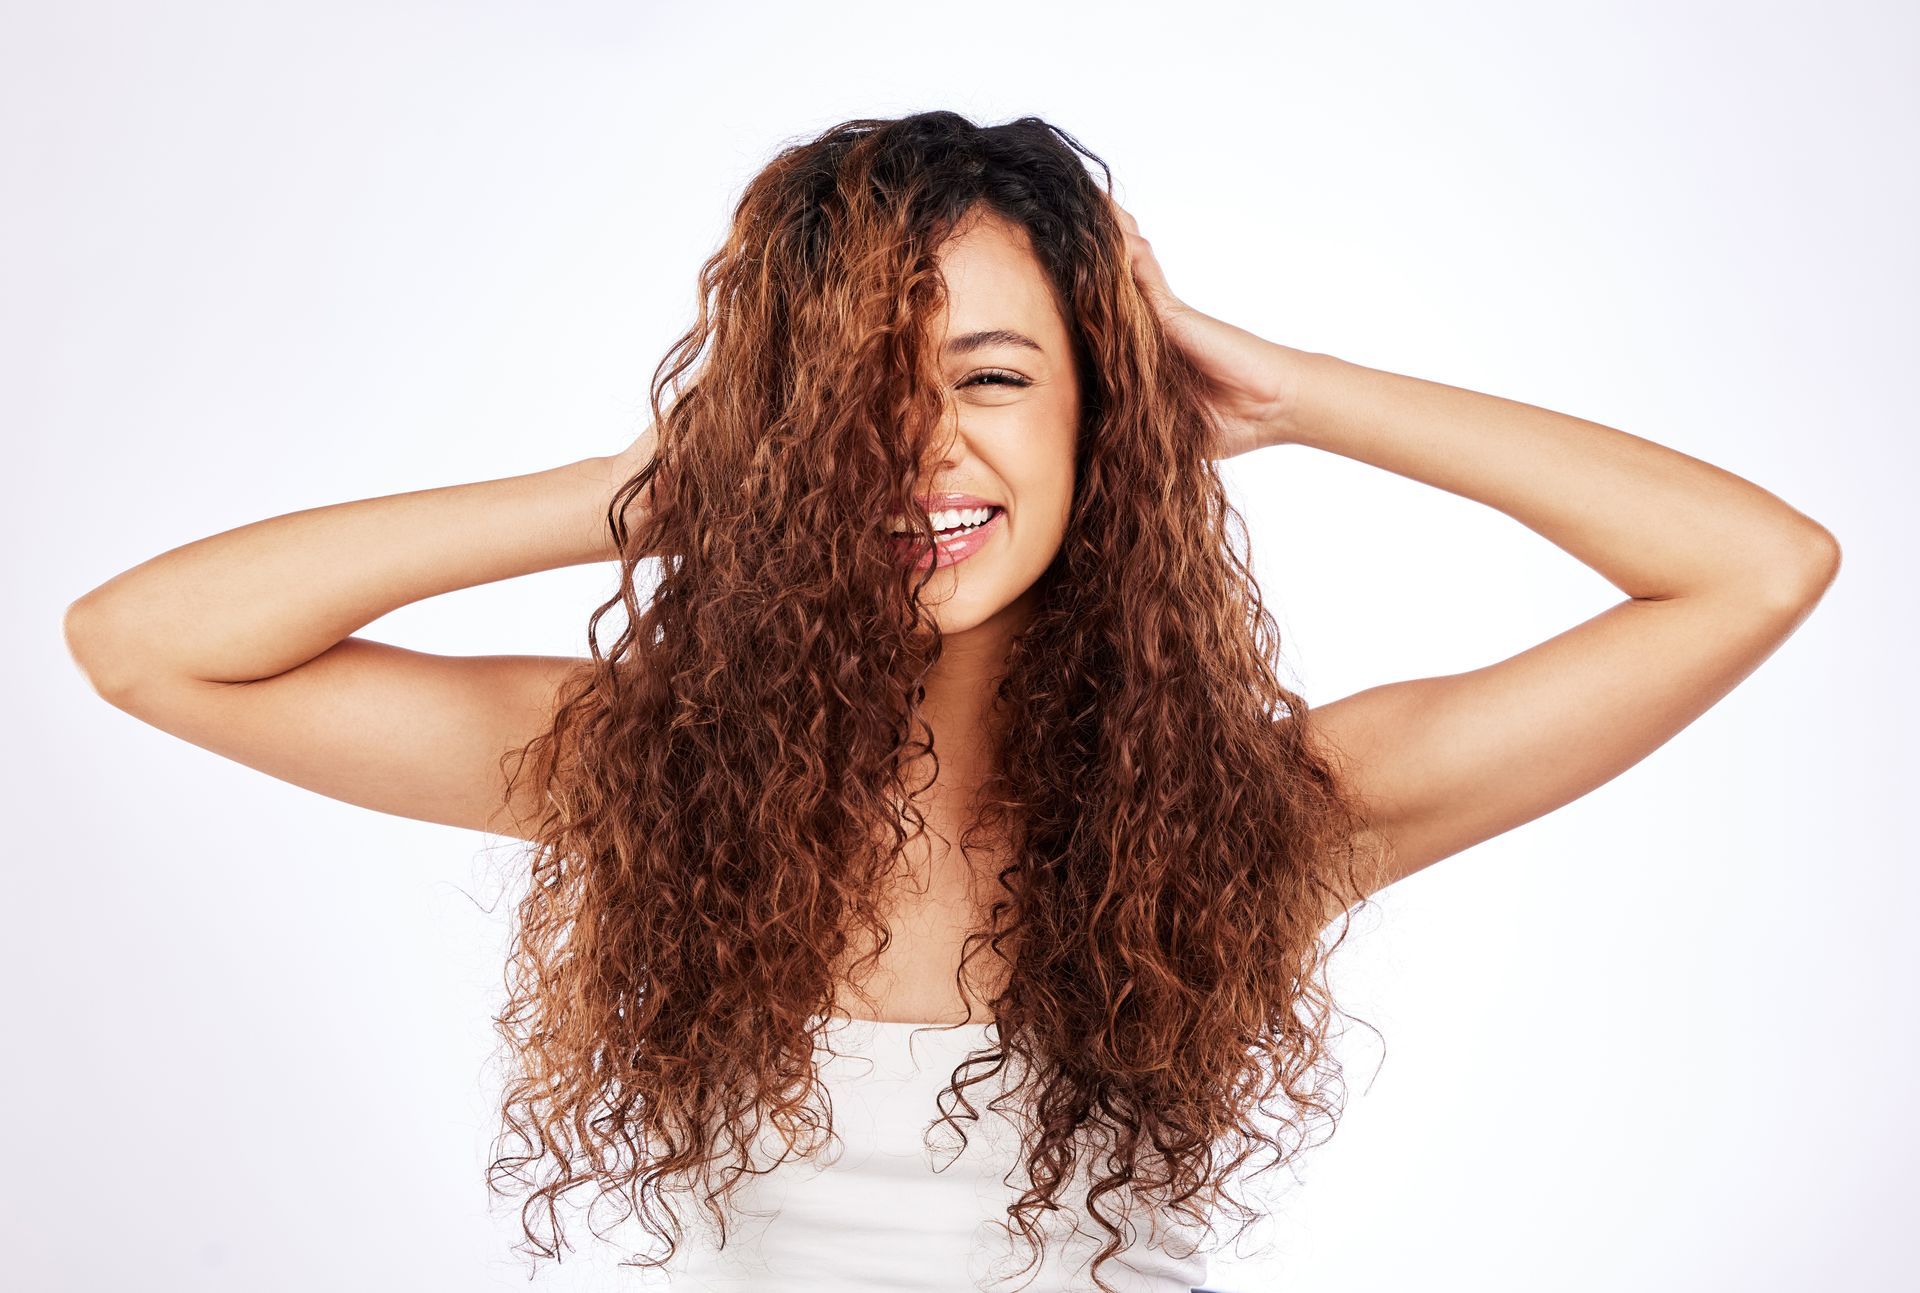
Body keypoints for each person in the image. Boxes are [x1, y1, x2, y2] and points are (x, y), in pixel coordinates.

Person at [61, 111, 1841, 1293]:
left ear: (1101, 417)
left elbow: (1752, 568)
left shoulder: (1261, 813)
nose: (925, 444)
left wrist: (1297, 389)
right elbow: (149, 640)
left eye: (994, 375)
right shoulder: (646, 771)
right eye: (854, 394)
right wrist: (635, 485)